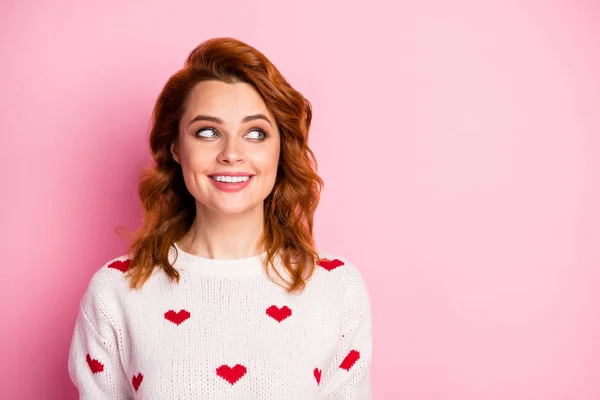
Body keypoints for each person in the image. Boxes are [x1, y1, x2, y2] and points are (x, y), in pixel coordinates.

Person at [67, 37, 373, 399]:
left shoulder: (336, 290)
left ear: (280, 149)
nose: (232, 154)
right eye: (208, 132)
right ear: (176, 148)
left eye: (255, 133)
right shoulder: (116, 292)